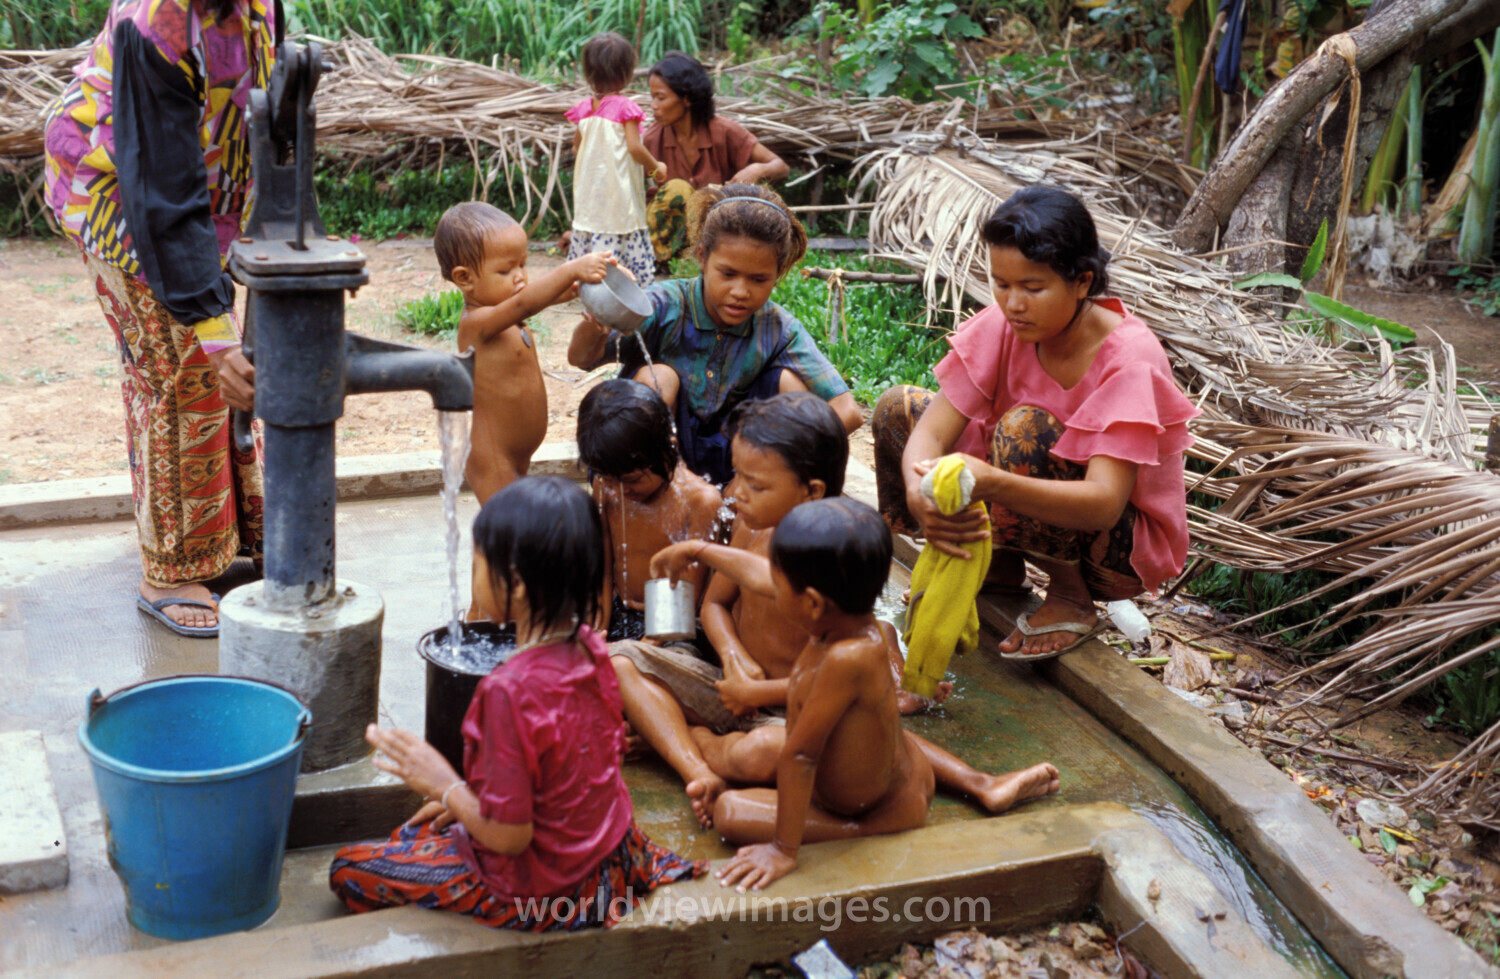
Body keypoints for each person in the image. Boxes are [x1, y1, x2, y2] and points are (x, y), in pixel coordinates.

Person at [329, 476, 706, 930]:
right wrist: (471, 796)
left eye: (479, 563)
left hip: (547, 887)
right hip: (611, 851)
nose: (474, 576)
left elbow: (510, 837)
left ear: (518, 585)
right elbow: (569, 765)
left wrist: (446, 785)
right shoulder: (591, 647)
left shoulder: (509, 691)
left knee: (349, 869)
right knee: (419, 831)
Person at [653, 498, 1061, 892]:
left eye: (779, 588)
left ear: (812, 603)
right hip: (902, 773)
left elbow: (800, 757)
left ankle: (863, 832)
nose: (768, 589)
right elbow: (757, 576)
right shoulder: (854, 626)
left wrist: (782, 849)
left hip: (875, 812)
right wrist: (698, 550)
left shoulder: (843, 658)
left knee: (730, 813)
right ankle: (976, 784)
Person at [872, 186, 1199, 661]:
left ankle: (1070, 598)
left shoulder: (1130, 358)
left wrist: (992, 484)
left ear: (1082, 282)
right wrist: (923, 500)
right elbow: (930, 432)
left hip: (1110, 550)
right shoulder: (1006, 324)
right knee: (896, 409)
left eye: (1033, 287)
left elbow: (1104, 504)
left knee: (1025, 431)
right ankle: (995, 565)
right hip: (1024, 506)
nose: (1012, 303)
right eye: (1001, 284)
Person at [42, 0, 278, 637]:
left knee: (217, 373)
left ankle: (228, 536)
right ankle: (170, 568)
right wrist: (215, 332)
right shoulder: (155, 23)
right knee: (179, 373)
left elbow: (258, 97)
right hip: (122, 197)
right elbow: (161, 189)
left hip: (204, 197)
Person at [567, 183, 861, 487]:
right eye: (728, 273)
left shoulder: (778, 328)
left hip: (733, 454)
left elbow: (847, 412)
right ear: (703, 257)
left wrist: (771, 464)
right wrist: (594, 325)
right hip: (658, 450)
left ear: (779, 271)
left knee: (790, 385)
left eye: (759, 279)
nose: (740, 292)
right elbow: (580, 358)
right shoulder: (665, 305)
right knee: (661, 377)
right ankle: (649, 480)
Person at [435, 201, 614, 506]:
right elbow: (525, 304)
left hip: (517, 452)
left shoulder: (504, 313)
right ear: (465, 279)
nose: (520, 276)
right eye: (505, 270)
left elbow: (543, 297)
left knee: (515, 531)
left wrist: (583, 284)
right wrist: (570, 267)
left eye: (522, 264)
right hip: (492, 454)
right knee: (505, 534)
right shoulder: (477, 325)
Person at [575, 378, 722, 641]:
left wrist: (642, 648)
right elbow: (604, 567)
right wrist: (599, 625)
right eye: (610, 478)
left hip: (676, 628)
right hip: (620, 612)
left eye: (631, 480)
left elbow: (686, 597)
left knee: (631, 665)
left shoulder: (700, 501)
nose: (621, 489)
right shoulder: (604, 486)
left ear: (670, 447)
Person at [642, 51, 790, 265]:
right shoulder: (652, 139)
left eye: (661, 98)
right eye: (652, 97)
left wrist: (756, 170)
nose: (653, 105)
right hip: (670, 238)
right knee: (677, 189)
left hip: (719, 229)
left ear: (687, 99)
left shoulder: (724, 131)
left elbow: (780, 166)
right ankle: (658, 261)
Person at [564, 33, 664, 288]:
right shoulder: (625, 108)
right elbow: (634, 148)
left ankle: (593, 291)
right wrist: (656, 167)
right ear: (627, 73)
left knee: (593, 232)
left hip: (590, 202)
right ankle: (624, 291)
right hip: (619, 199)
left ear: (588, 73)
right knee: (621, 233)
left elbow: (577, 149)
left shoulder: (585, 110)